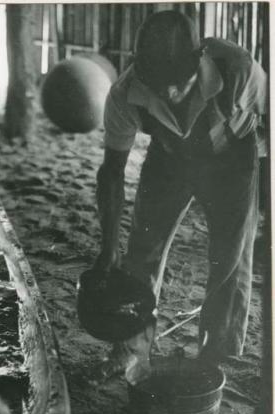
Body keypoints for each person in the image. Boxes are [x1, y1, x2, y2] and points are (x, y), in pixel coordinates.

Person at [94, 10, 267, 366]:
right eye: (158, 83)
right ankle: (131, 349)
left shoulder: (239, 69)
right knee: (142, 249)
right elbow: (112, 173)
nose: (170, 92)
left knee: (230, 256)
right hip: (169, 157)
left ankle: (215, 353)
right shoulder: (125, 95)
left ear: (199, 59)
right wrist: (108, 249)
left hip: (232, 155)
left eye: (179, 81)